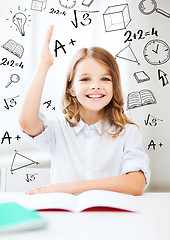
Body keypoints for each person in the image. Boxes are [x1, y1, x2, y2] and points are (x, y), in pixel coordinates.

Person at [19, 25, 150, 196]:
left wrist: (69, 187)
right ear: (71, 89)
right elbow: (27, 122)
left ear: (114, 86)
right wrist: (43, 65)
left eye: (105, 78)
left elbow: (135, 184)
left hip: (112, 217)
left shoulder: (127, 132)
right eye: (85, 79)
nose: (95, 85)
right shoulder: (58, 129)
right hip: (67, 217)